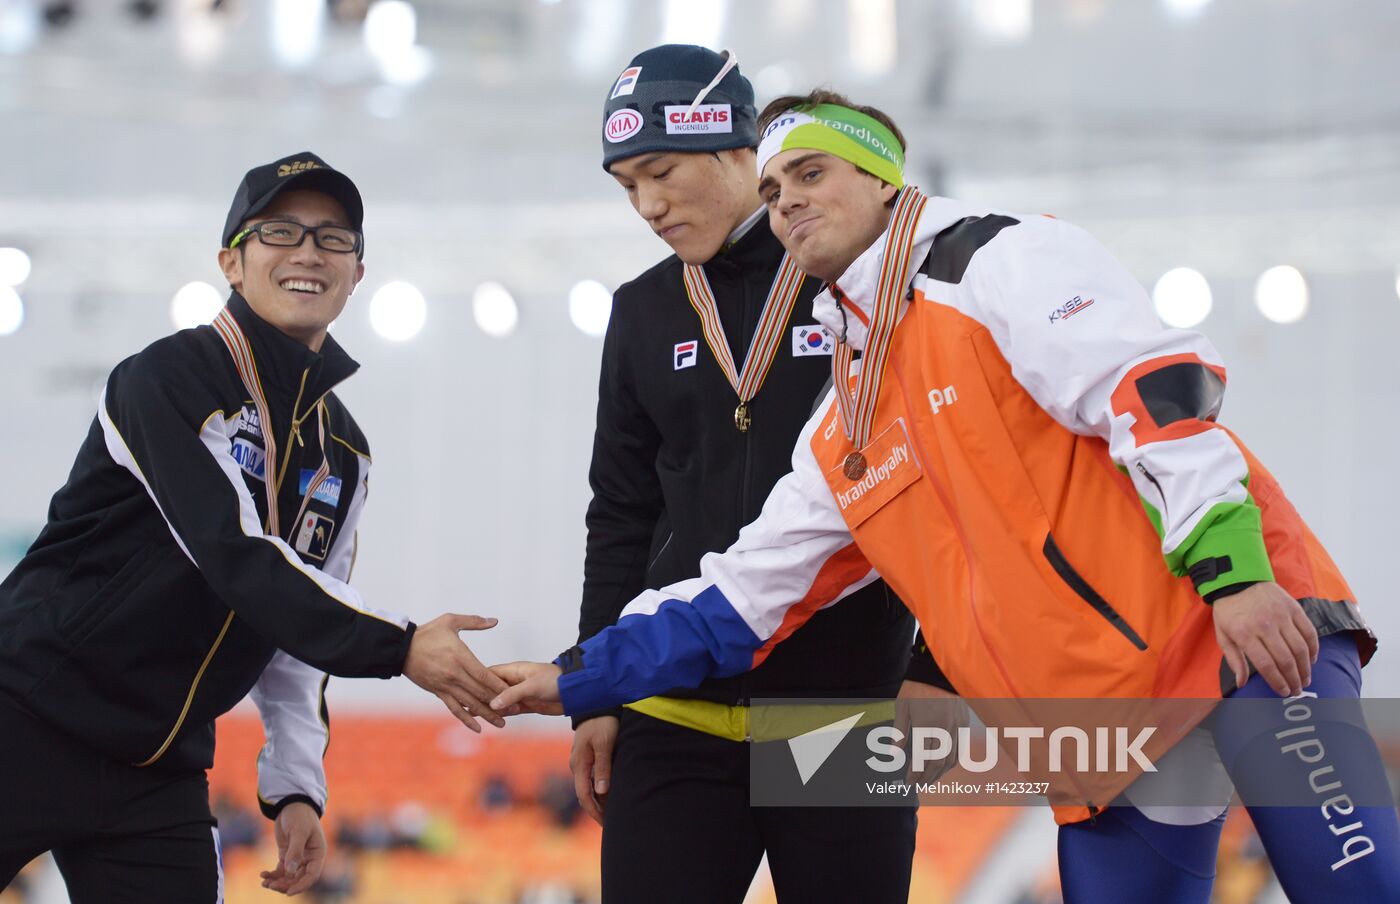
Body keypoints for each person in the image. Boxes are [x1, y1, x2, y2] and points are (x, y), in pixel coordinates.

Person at [492, 93, 1400, 902]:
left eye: (811, 171)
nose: (788, 201)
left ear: (884, 179)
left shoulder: (996, 260)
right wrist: (574, 676)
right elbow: (739, 596)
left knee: (1354, 887)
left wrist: (1234, 576)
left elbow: (1154, 390)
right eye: (771, 192)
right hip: (1111, 719)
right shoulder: (844, 421)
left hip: (1235, 627)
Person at [0, 152, 507, 902]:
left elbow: (297, 629)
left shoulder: (345, 451)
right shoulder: (164, 379)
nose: (308, 251)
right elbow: (235, 554)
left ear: (357, 274)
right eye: (279, 231)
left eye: (333, 238)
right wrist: (400, 646)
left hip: (159, 764)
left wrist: (296, 786)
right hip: (27, 718)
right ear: (231, 263)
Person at [576, 46, 937, 903]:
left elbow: (958, 493)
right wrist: (596, 687)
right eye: (628, 186)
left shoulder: (869, 286)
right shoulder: (642, 308)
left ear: (743, 147)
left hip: (846, 713)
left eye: (661, 173)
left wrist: (942, 670)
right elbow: (620, 513)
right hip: (671, 709)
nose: (649, 206)